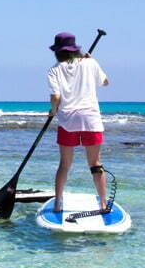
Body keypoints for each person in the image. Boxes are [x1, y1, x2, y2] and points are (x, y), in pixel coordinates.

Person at [46, 32, 110, 213]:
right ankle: (103, 204)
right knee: (95, 163)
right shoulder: (90, 63)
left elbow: (56, 96)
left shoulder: (54, 70)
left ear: (58, 52)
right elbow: (105, 82)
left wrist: (53, 110)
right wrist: (90, 62)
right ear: (75, 49)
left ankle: (58, 203)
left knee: (64, 165)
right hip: (91, 119)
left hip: (68, 121)